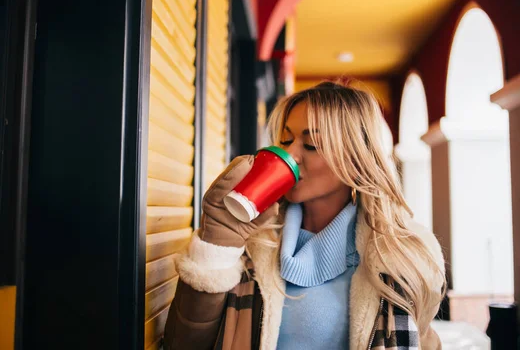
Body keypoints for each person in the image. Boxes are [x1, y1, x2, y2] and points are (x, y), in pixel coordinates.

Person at [164, 81, 446, 350]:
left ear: (355, 158)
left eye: (310, 145)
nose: (290, 153)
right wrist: (217, 243)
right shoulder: (249, 241)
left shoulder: (398, 256)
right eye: (285, 139)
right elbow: (184, 343)